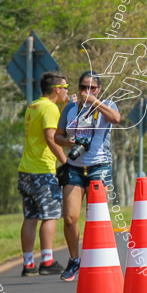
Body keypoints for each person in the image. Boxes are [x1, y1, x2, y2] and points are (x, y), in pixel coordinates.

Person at [55, 71, 121, 281]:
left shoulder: (107, 104)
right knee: (70, 217)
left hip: (98, 166)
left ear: (98, 89)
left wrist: (95, 102)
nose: (86, 91)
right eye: (83, 87)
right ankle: (75, 259)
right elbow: (58, 136)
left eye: (91, 88)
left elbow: (116, 119)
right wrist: (69, 143)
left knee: (96, 217)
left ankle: (99, 260)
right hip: (74, 166)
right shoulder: (71, 108)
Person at [17, 71, 69, 276]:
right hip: (42, 171)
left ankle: (28, 263)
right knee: (51, 214)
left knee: (30, 216)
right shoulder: (50, 108)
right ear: (57, 89)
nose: (67, 91)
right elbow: (50, 137)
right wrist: (65, 161)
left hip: (26, 170)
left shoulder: (34, 105)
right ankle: (47, 260)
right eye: (65, 87)